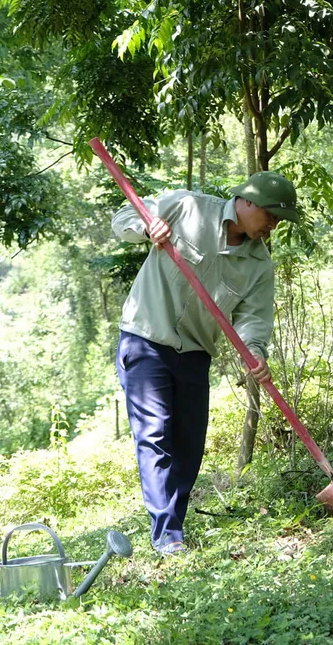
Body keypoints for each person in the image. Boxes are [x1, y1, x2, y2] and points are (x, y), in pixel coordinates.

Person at [111, 171, 300, 556]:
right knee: (154, 433)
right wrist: (148, 228)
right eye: (271, 216)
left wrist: (256, 352)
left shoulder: (259, 265)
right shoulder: (187, 206)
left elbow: (253, 319)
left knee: (190, 445)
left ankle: (172, 526)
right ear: (247, 202)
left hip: (196, 352)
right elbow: (123, 219)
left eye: (279, 220)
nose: (273, 226)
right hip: (147, 337)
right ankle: (166, 533)